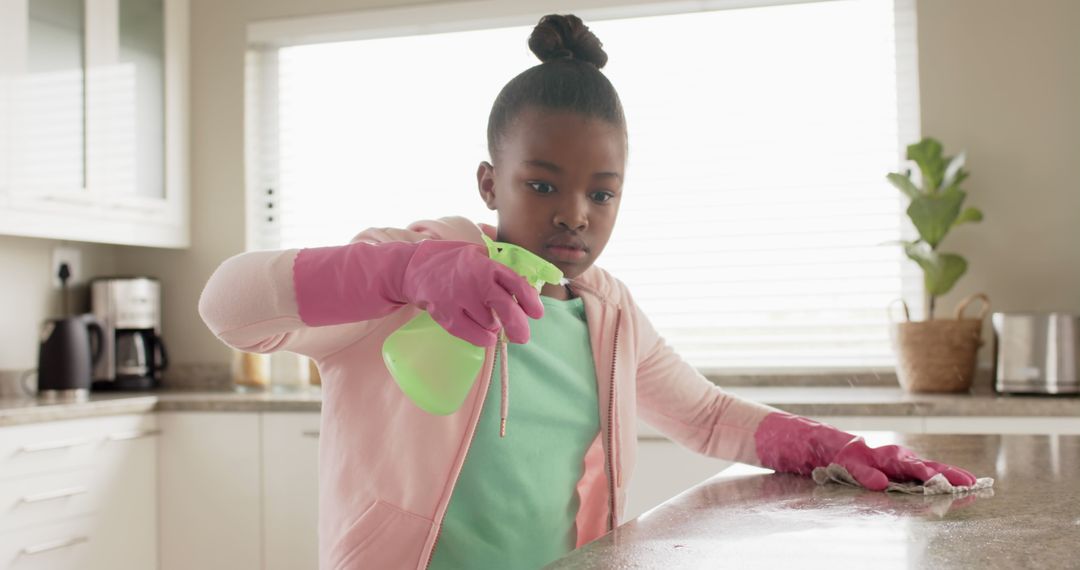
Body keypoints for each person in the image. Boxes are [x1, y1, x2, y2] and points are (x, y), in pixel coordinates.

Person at [198, 14, 977, 570]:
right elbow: (227, 306)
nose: (575, 212)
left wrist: (832, 447)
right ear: (488, 182)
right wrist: (404, 273)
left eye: (602, 194)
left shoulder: (607, 313)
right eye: (542, 183)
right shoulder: (413, 274)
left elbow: (705, 415)